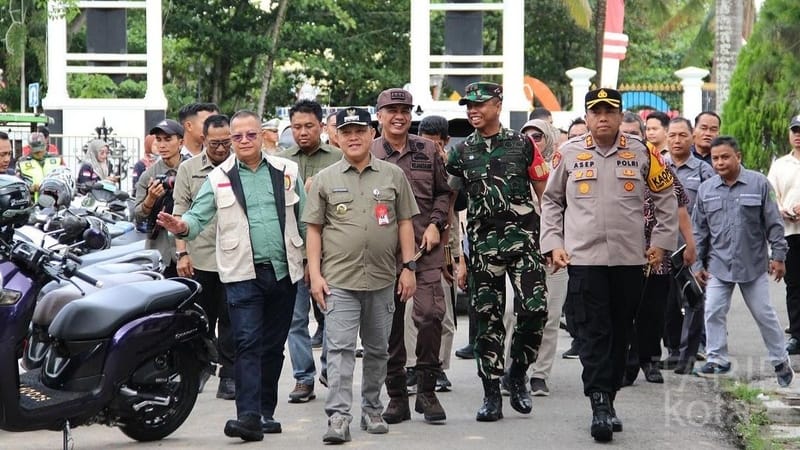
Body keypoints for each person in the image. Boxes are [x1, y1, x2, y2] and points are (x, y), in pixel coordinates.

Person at [157, 110, 306, 442]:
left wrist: (314, 264)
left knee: (272, 347)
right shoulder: (219, 177)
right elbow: (197, 214)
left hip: (283, 272)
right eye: (237, 137)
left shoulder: (286, 171)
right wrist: (183, 227)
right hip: (241, 274)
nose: (243, 141)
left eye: (249, 135)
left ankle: (265, 412)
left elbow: (307, 220)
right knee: (247, 343)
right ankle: (248, 416)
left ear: (261, 135)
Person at [540, 88, 678, 442]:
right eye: (596, 111)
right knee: (592, 331)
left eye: (609, 111)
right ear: (586, 117)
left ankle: (609, 395)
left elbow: (665, 198)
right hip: (584, 260)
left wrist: (662, 243)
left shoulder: (641, 151)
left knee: (620, 331)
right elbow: (552, 202)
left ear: (619, 116)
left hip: (630, 260)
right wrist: (553, 244)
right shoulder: (568, 154)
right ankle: (599, 400)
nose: (603, 117)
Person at [303, 107, 418, 444]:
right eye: (346, 131)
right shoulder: (325, 179)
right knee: (338, 350)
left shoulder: (392, 175)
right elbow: (314, 229)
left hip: (383, 279)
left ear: (372, 135)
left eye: (359, 131)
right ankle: (338, 417)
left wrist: (409, 268)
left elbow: (406, 222)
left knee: (378, 349)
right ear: (336, 137)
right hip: (339, 280)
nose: (353, 137)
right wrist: (315, 274)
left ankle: (372, 408)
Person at [446, 81, 549, 422]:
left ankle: (517, 372)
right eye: (468, 106)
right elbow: (452, 207)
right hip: (482, 246)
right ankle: (491, 393)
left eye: (480, 104)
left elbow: (546, 195)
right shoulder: (461, 153)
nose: (472, 110)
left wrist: (552, 242)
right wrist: (459, 258)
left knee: (535, 309)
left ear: (498, 105)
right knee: (487, 319)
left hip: (524, 242)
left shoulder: (523, 144)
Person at [371, 89, 451, 425]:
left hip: (424, 250)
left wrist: (436, 224)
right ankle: (397, 397)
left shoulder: (428, 149)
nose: (399, 116)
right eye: (391, 110)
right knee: (387, 326)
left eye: (404, 110)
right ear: (379, 115)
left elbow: (444, 192)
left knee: (431, 315)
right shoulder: (368, 150)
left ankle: (428, 391)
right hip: (382, 254)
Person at [693, 136, 793, 388]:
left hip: (754, 264)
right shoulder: (707, 190)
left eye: (725, 157)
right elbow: (699, 231)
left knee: (764, 314)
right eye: (715, 158)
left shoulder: (759, 184)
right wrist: (697, 265)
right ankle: (717, 358)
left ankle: (780, 360)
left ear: (738, 156)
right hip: (718, 264)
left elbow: (774, 224)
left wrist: (778, 257)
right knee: (713, 310)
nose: (719, 162)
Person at [276, 99, 342, 404]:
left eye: (309, 126)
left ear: (321, 126)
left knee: (332, 315)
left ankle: (330, 369)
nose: (303, 132)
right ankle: (303, 378)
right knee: (295, 319)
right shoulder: (278, 162)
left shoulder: (339, 159)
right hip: (290, 253)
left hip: (331, 253)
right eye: (297, 127)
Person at [172, 114, 236, 400]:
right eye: (214, 144)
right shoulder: (189, 170)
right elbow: (179, 213)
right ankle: (199, 369)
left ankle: (229, 375)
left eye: (226, 143)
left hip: (236, 258)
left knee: (232, 320)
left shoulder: (242, 167)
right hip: (201, 258)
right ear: (203, 140)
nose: (221, 149)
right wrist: (182, 252)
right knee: (201, 320)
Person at [407, 114, 463, 392]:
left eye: (436, 144)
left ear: (445, 142)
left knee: (443, 313)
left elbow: (455, 211)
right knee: (411, 314)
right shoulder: (409, 161)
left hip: (445, 245)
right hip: (414, 245)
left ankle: (440, 367)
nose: (430, 148)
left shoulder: (453, 167)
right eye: (424, 142)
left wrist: (453, 256)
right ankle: (412, 367)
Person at [664, 118, 715, 374]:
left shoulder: (704, 171)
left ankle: (688, 354)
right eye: (672, 135)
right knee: (668, 303)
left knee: (693, 299)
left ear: (691, 137)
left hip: (692, 246)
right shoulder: (659, 166)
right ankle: (673, 351)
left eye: (682, 135)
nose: (676, 140)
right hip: (665, 246)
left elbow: (709, 210)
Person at [134, 119, 186, 278]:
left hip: (189, 250)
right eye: (158, 139)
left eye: (168, 139)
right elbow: (137, 216)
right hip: (160, 249)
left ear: (181, 142)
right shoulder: (148, 174)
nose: (162, 145)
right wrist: (151, 198)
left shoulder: (192, 169)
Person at [768, 115, 800, 355]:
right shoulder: (779, 165)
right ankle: (797, 335)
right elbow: (770, 197)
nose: (798, 135)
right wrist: (781, 210)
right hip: (790, 233)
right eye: (795, 130)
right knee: (794, 285)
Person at [16, 132, 62, 201]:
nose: (39, 153)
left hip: (55, 202)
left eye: (41, 150)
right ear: (30, 148)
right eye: (36, 151)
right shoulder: (22, 162)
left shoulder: (56, 159)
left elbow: (65, 178)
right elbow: (18, 184)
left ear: (45, 146)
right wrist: (30, 188)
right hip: (32, 203)